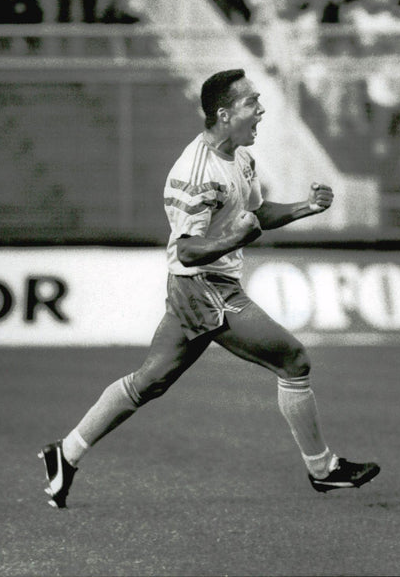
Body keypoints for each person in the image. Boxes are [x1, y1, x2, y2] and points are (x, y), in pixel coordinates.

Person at [39, 69, 380, 508]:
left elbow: (257, 212)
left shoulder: (240, 158)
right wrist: (233, 239)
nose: (261, 110)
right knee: (294, 360)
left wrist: (306, 207)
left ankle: (64, 454)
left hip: (202, 286)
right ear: (224, 114)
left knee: (148, 382)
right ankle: (323, 470)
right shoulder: (194, 173)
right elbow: (186, 251)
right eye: (251, 103)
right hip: (202, 287)